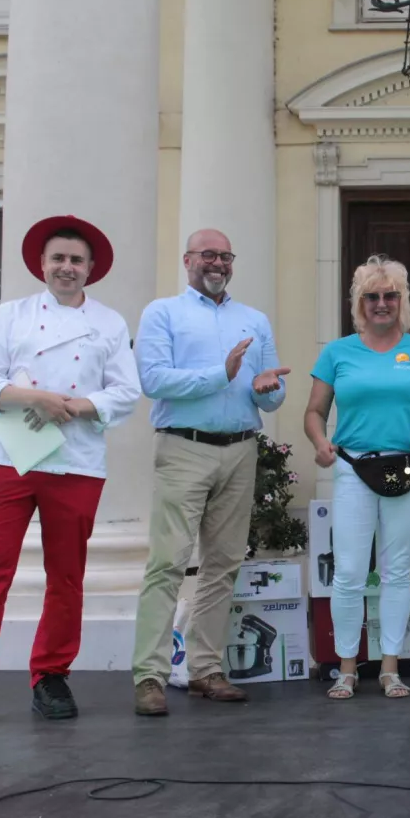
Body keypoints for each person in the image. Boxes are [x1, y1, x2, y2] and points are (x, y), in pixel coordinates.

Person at [0, 215, 141, 729]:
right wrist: (37, 397)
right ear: (42, 264)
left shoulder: (109, 323)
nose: (67, 267)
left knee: (66, 577)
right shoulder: (12, 315)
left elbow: (126, 392)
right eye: (58, 258)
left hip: (76, 461)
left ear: (90, 269)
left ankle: (51, 675)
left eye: (76, 260)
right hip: (9, 457)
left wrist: (74, 407)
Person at [130, 228, 290, 716]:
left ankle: (205, 668)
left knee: (223, 565)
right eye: (208, 255)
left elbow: (272, 391)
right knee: (168, 564)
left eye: (225, 256)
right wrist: (220, 373)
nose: (217, 263)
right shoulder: (163, 313)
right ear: (187, 261)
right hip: (184, 448)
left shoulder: (254, 319)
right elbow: (153, 380)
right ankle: (150, 676)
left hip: (240, 449)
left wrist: (265, 391)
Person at [304, 256, 410, 700]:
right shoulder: (338, 352)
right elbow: (314, 411)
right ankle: (347, 667)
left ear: (402, 301)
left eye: (390, 296)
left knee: (397, 572)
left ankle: (390, 666)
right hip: (351, 468)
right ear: (359, 303)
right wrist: (319, 443)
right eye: (372, 297)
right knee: (348, 572)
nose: (381, 304)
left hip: (406, 466)